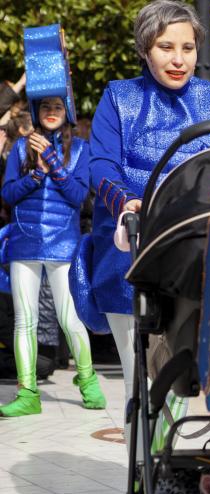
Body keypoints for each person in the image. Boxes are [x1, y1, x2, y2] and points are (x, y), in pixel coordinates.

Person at [74, 0, 210, 450]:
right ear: (144, 48)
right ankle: (141, 490)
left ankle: (160, 482)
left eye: (187, 47)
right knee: (139, 387)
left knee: (176, 381)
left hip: (193, 252)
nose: (178, 58)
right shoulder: (118, 96)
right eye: (165, 46)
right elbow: (102, 164)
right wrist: (126, 203)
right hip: (129, 246)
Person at [0, 90, 106, 416]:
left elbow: (78, 197)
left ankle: (88, 382)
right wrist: (36, 174)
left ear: (68, 113)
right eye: (45, 106)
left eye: (57, 106)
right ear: (36, 110)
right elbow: (8, 194)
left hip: (63, 244)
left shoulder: (82, 150)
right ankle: (28, 393)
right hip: (24, 243)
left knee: (69, 317)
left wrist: (54, 163)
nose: (51, 111)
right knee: (25, 321)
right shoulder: (20, 148)